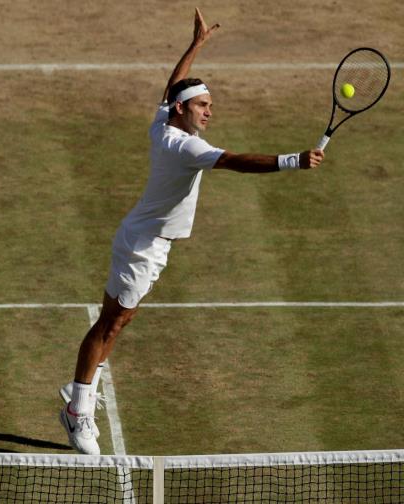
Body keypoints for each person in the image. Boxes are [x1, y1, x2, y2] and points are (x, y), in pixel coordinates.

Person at [59, 7, 325, 455]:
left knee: (119, 320)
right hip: (143, 246)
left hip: (147, 241)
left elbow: (173, 86)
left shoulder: (165, 120)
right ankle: (77, 408)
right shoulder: (185, 145)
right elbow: (235, 161)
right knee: (110, 325)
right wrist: (292, 160)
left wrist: (197, 43)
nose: (209, 112)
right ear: (184, 111)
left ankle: (81, 393)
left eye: (212, 106)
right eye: (203, 105)